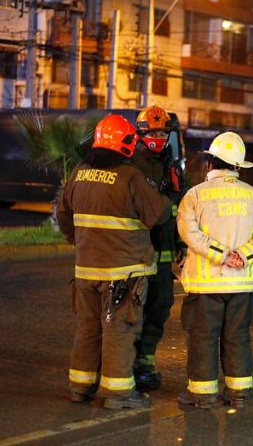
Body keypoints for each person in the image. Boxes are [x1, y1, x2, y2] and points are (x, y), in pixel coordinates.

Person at [56, 114, 171, 410]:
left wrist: (80, 243)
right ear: (126, 143)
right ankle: (117, 393)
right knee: (119, 329)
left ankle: (80, 386)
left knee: (88, 327)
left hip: (86, 271)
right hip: (123, 273)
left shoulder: (79, 173)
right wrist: (169, 195)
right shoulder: (129, 176)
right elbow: (157, 214)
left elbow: (63, 216)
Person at [175, 131, 253, 408]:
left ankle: (203, 394)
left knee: (203, 338)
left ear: (210, 163)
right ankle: (239, 392)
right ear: (237, 166)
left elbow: (189, 233)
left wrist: (221, 255)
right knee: (238, 337)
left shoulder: (195, 195)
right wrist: (243, 256)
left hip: (205, 286)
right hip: (242, 285)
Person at [130, 105, 186, 391]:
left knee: (160, 307)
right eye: (153, 133)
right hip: (134, 253)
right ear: (140, 134)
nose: (158, 138)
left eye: (163, 133)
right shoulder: (129, 165)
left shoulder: (170, 166)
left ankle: (145, 362)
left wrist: (181, 242)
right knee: (131, 310)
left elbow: (180, 208)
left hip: (162, 254)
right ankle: (123, 362)